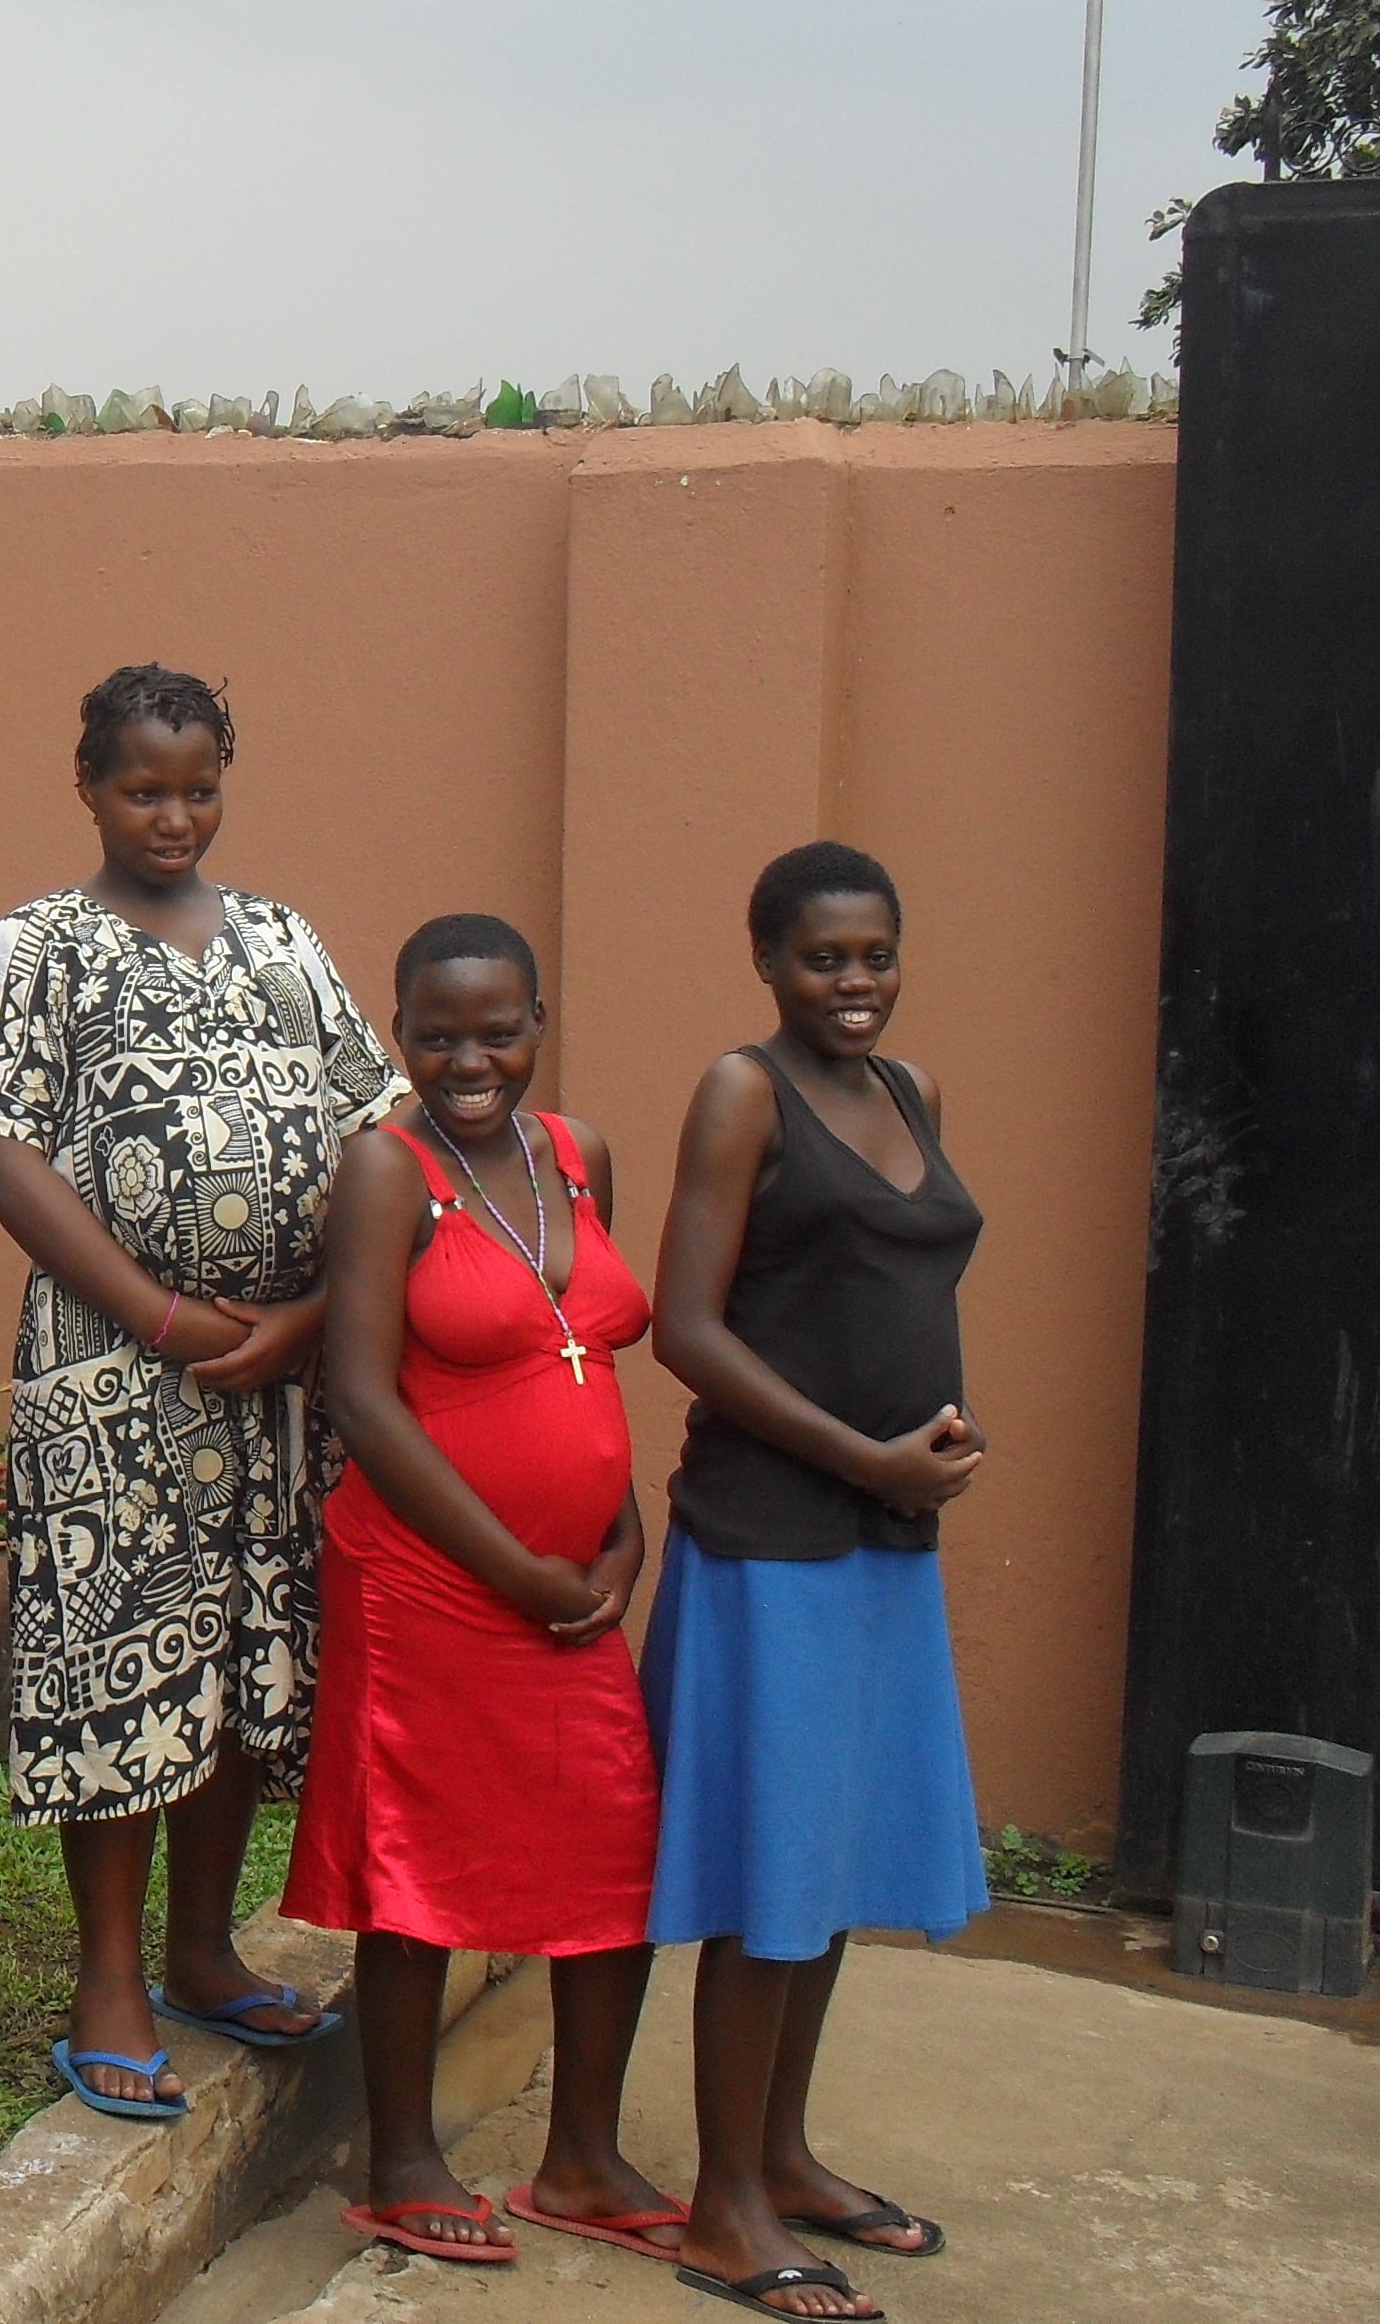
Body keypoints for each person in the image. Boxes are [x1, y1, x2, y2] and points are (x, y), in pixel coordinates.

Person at [0, 664, 398, 2118]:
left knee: (248, 1657)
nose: (174, 814)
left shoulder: (286, 939)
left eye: (199, 786)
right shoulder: (39, 946)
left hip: (280, 1376)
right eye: (144, 788)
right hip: (109, 1373)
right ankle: (107, 1979)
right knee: (120, 1654)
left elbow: (379, 1135)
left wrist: (312, 1318)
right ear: (86, 785)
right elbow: (8, 1151)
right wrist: (160, 1314)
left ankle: (206, 1950)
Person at [283, 914, 678, 2267]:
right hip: (428, 1581)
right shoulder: (387, 1172)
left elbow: (584, 1359)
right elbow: (363, 1399)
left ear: (537, 1023)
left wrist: (620, 1539)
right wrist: (515, 1565)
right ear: (401, 1033)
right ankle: (402, 2160)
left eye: (496, 1030)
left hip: (573, 1589)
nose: (469, 1059)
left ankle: (582, 2158)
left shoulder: (581, 1156)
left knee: (611, 1853)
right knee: (418, 1865)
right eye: (437, 1034)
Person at [644, 842, 987, 2322]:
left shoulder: (915, 1095)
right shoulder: (742, 1092)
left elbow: (890, 1291)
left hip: (887, 1537)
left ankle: (782, 2156)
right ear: (768, 962)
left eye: (875, 956)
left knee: (832, 1868)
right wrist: (867, 1453)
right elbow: (686, 1328)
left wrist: (927, 1447)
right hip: (773, 1537)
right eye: (823, 960)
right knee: (768, 1875)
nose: (853, 983)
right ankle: (722, 2208)